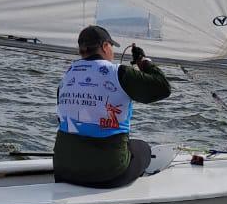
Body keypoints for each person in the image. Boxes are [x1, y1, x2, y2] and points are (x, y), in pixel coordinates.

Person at [53, 24, 170, 188]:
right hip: (108, 174)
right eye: (111, 47)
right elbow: (163, 87)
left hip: (62, 169)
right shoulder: (119, 72)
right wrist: (143, 62)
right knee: (143, 148)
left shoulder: (67, 75)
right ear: (105, 46)